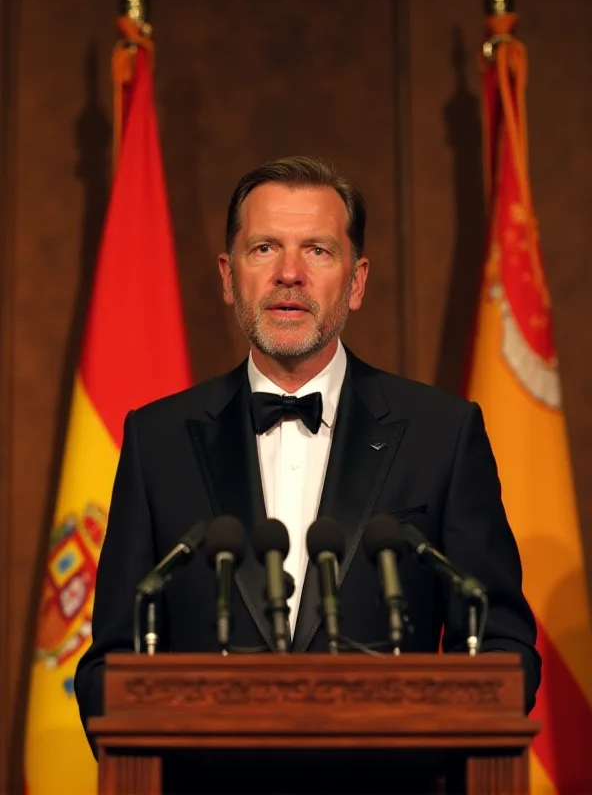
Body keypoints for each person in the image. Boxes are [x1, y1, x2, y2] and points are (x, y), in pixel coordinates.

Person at [75, 154, 540, 761]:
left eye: (318, 251)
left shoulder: (442, 433)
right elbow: (110, 661)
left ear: (357, 280)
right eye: (264, 248)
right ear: (227, 275)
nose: (289, 273)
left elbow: (503, 646)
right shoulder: (156, 440)